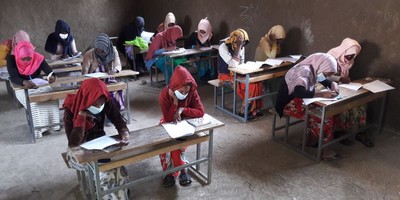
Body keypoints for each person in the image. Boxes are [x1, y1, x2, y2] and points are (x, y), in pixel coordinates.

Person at [63, 78, 130, 199]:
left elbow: (118, 120)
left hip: (100, 145)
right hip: (77, 151)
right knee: (106, 176)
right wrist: (81, 117)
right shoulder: (70, 108)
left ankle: (120, 195)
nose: (100, 107)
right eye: (96, 105)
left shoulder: (106, 101)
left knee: (120, 170)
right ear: (86, 100)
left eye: (102, 104)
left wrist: (124, 132)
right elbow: (73, 143)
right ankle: (109, 195)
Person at [275, 53, 340, 160]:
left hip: (296, 100)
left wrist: (333, 84)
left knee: (320, 111)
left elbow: (321, 78)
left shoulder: (312, 66)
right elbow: (298, 92)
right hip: (287, 104)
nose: (326, 76)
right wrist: (322, 94)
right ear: (321, 66)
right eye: (327, 74)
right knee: (324, 117)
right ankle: (324, 149)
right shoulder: (304, 71)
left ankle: (309, 139)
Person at [158, 66, 205, 188]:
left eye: (186, 92)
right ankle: (181, 169)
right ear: (173, 88)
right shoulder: (164, 94)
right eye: (181, 91)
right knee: (169, 143)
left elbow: (200, 111)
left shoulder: (192, 91)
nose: (184, 94)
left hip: (185, 123)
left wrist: (182, 109)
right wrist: (174, 101)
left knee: (178, 142)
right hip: (168, 123)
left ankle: (172, 173)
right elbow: (168, 118)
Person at [7, 40, 58, 138]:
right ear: (18, 55)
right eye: (23, 59)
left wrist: (52, 76)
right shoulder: (11, 59)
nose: (26, 61)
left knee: (51, 96)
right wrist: (24, 82)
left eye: (29, 58)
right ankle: (38, 130)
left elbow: (48, 70)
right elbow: (13, 77)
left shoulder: (37, 57)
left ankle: (53, 125)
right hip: (21, 87)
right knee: (33, 103)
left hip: (38, 84)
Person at [327, 38, 372, 147]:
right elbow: (321, 77)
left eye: (353, 56)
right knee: (342, 103)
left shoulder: (349, 62)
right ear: (343, 50)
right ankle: (337, 131)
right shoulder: (329, 57)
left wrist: (347, 83)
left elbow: (345, 78)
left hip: (342, 88)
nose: (349, 59)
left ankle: (361, 132)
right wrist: (339, 80)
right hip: (326, 88)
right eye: (348, 56)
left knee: (360, 103)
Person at [218, 28, 263, 119]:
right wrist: (238, 47)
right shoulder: (223, 47)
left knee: (257, 82)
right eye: (241, 44)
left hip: (236, 74)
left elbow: (241, 63)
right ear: (234, 41)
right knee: (250, 85)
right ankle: (244, 112)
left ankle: (254, 110)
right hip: (224, 76)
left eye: (244, 44)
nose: (242, 46)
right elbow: (232, 65)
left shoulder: (241, 47)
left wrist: (240, 47)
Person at [82, 33, 125, 110]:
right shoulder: (89, 54)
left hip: (109, 78)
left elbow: (118, 65)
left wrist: (114, 70)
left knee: (117, 90)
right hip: (95, 82)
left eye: (102, 51)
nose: (99, 53)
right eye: (97, 51)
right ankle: (103, 111)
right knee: (100, 92)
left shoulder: (113, 51)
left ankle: (116, 110)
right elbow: (84, 72)